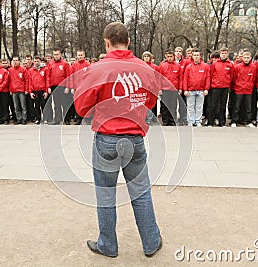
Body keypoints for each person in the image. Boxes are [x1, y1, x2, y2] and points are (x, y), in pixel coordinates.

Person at [74, 21, 162, 258]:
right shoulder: (144, 68)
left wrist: (100, 109)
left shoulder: (98, 69)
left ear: (106, 42)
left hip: (106, 138)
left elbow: (81, 107)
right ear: (129, 41)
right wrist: (135, 110)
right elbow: (151, 100)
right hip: (134, 138)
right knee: (141, 191)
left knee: (105, 194)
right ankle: (151, 241)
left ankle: (108, 245)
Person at [208, 47, 234, 127]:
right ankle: (210, 122)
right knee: (213, 105)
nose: (224, 55)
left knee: (223, 105)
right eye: (222, 53)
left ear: (227, 54)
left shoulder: (230, 64)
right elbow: (211, 74)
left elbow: (231, 76)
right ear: (220, 54)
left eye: (225, 53)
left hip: (225, 87)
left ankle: (222, 122)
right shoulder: (215, 63)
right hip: (216, 87)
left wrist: (228, 85)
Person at [183, 49, 210, 127]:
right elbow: (185, 79)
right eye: (194, 55)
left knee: (199, 107)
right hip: (190, 90)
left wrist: (206, 89)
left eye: (197, 55)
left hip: (201, 90)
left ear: (200, 56)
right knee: (190, 107)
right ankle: (191, 121)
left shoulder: (205, 66)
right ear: (192, 56)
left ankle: (198, 121)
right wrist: (185, 89)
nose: (196, 57)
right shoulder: (188, 67)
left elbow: (208, 78)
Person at [231, 52, 256, 127]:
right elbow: (234, 78)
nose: (246, 59)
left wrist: (250, 85)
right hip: (239, 89)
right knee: (236, 107)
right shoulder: (237, 67)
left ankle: (248, 121)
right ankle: (234, 121)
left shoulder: (254, 67)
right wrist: (238, 85)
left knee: (248, 107)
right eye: (245, 58)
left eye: (248, 58)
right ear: (242, 58)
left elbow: (254, 78)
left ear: (250, 58)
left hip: (249, 90)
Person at [47, 48, 71, 125]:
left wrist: (67, 87)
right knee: (56, 104)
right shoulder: (50, 64)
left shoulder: (65, 64)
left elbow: (68, 76)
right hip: (54, 86)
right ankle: (57, 119)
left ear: (60, 54)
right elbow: (48, 76)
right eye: (54, 54)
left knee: (64, 104)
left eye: (57, 54)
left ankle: (66, 119)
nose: (56, 56)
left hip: (63, 86)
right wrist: (48, 87)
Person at [159, 50, 182, 126]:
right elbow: (159, 78)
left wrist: (180, 88)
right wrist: (159, 89)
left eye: (171, 56)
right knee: (165, 106)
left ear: (174, 57)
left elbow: (180, 78)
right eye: (168, 56)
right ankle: (165, 121)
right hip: (164, 89)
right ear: (165, 56)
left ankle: (172, 120)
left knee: (173, 106)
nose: (169, 58)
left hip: (174, 89)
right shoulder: (162, 65)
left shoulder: (178, 66)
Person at [70, 50, 90, 124]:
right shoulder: (74, 65)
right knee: (77, 103)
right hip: (76, 87)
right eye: (78, 55)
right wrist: (72, 87)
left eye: (81, 55)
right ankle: (78, 118)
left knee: (86, 103)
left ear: (84, 55)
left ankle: (87, 118)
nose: (80, 56)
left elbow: (89, 76)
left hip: (84, 87)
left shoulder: (87, 65)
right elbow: (71, 77)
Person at [28, 56, 49, 124]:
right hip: (35, 90)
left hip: (42, 90)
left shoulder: (45, 69)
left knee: (44, 105)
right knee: (36, 106)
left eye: (38, 61)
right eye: (35, 61)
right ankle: (38, 118)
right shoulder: (31, 70)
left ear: (40, 61)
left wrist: (46, 91)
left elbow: (47, 80)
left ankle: (45, 118)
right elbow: (30, 82)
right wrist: (30, 92)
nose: (36, 63)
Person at [9, 56, 28, 125]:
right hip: (14, 91)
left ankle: (24, 119)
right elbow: (10, 81)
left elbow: (26, 80)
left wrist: (26, 89)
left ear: (19, 61)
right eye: (14, 60)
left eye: (16, 60)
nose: (15, 62)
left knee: (23, 106)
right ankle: (19, 119)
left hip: (22, 90)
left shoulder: (23, 69)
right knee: (16, 106)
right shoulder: (10, 70)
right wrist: (10, 90)